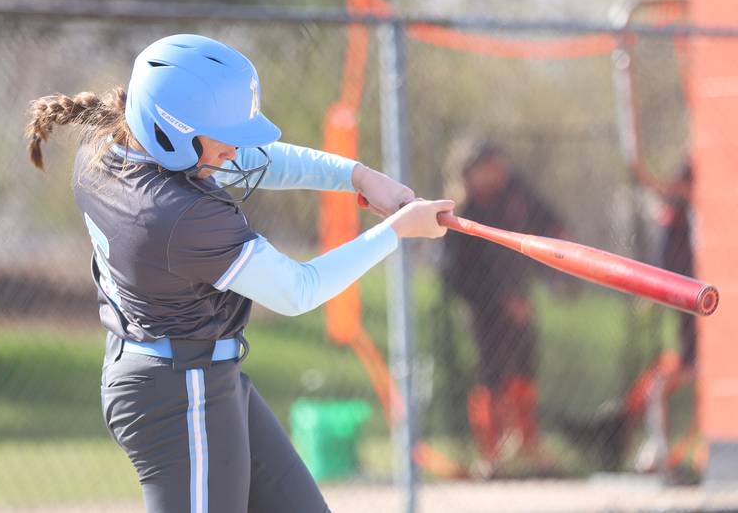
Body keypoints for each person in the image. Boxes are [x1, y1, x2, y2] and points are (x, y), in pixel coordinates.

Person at [24, 34, 453, 513]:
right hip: (177, 391)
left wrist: (359, 176)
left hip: (193, 374)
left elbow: (247, 160)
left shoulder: (107, 151)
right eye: (224, 134)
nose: (235, 149)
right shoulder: (175, 215)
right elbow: (297, 290)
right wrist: (397, 232)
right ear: (171, 130)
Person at [441, 143, 567, 475]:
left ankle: (526, 444)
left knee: (525, 369)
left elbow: (549, 220)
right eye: (490, 167)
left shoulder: (513, 192)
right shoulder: (462, 210)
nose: (499, 173)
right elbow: (458, 274)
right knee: (491, 375)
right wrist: (500, 300)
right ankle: (491, 453)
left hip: (519, 302)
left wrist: (557, 262)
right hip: (485, 310)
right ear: (472, 171)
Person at [625, 157, 699, 474]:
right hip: (694, 321)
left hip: (713, 320)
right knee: (659, 385)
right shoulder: (678, 213)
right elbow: (665, 260)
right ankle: (662, 454)